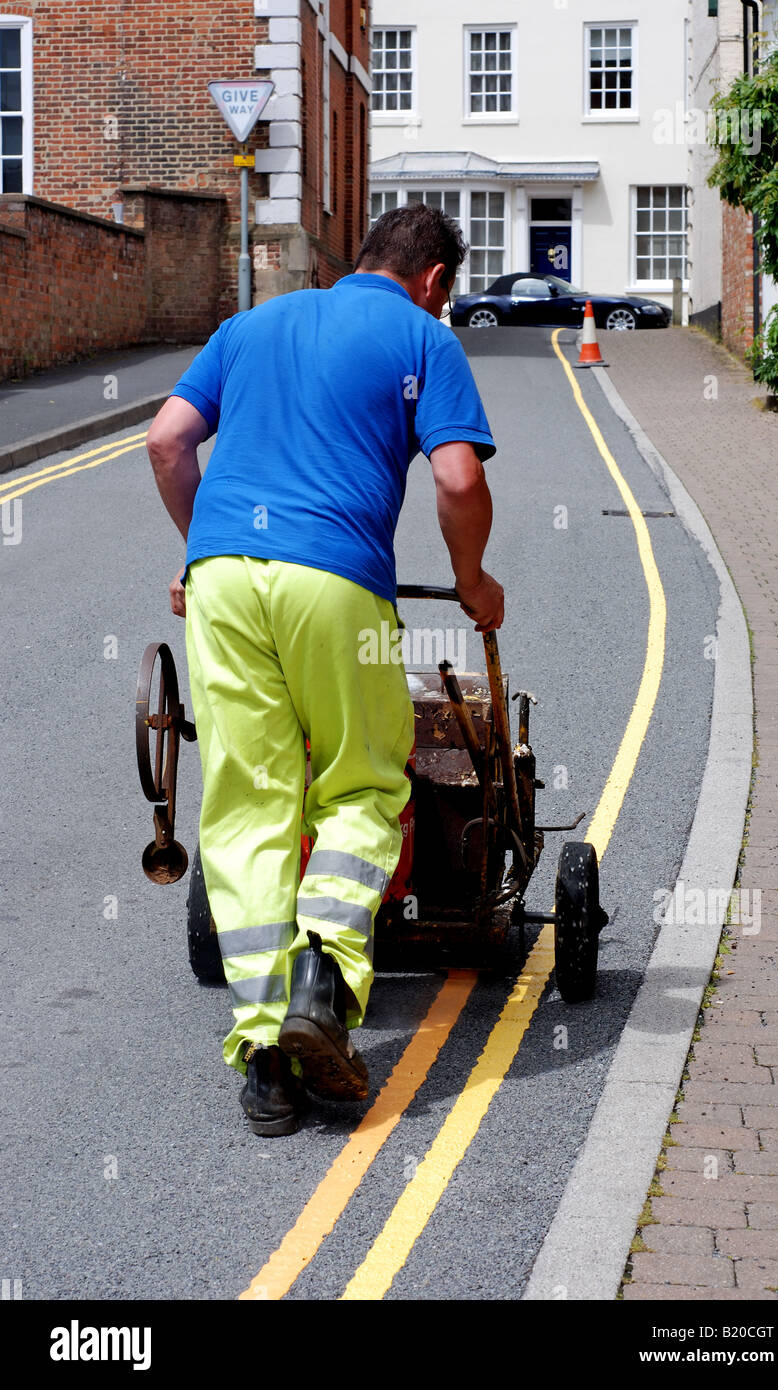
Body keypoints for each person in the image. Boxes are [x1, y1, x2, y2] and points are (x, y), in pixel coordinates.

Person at [146, 202, 504, 1137]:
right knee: (362, 784)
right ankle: (324, 978)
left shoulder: (250, 323)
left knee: (249, 804)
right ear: (434, 280)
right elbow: (459, 480)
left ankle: (266, 1063)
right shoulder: (424, 337)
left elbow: (167, 441)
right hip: (337, 582)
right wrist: (472, 582)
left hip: (224, 580)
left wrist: (203, 555)